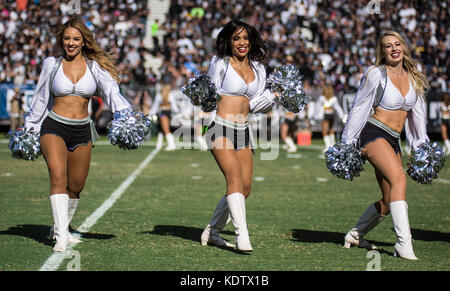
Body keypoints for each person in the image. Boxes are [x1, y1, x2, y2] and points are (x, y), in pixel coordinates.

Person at [23, 18, 132, 252]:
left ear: (84, 42)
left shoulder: (94, 66)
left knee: (75, 186)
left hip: (82, 129)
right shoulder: (51, 64)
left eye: (76, 39)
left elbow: (112, 91)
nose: (71, 43)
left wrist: (125, 114)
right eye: (67, 39)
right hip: (54, 126)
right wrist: (31, 127)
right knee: (58, 176)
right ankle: (62, 236)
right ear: (61, 40)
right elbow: (41, 98)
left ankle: (59, 227)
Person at [341, 31, 430, 260]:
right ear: (383, 52)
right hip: (373, 133)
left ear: (403, 47)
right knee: (399, 178)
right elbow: (359, 108)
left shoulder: (414, 74)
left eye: (397, 44)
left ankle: (355, 234)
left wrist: (421, 147)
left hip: (394, 139)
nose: (394, 49)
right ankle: (403, 244)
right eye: (388, 46)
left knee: (390, 200)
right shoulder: (375, 74)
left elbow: (417, 116)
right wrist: (347, 143)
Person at [200, 20, 278, 252]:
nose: (242, 42)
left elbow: (255, 105)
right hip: (219, 126)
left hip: (243, 130)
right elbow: (209, 95)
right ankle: (241, 235)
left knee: (245, 188)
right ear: (229, 42)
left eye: (245, 38)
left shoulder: (259, 68)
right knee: (233, 176)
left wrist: (275, 95)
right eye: (236, 38)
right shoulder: (220, 63)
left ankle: (212, 231)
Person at [317, 85, 344, 152]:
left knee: (325, 131)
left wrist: (317, 115)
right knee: (331, 130)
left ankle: (328, 146)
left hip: (326, 115)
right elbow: (338, 108)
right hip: (332, 115)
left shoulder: (322, 98)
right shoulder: (333, 98)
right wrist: (342, 116)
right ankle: (332, 145)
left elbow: (318, 106)